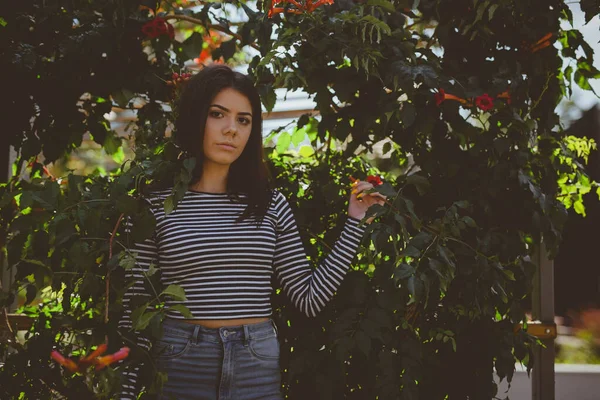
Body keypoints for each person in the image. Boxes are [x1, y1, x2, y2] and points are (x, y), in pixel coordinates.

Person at [118, 64, 386, 400]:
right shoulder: (154, 204)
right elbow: (135, 312)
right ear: (194, 117)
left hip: (255, 363)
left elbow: (308, 299)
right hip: (181, 362)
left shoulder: (271, 204)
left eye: (243, 120)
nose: (231, 130)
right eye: (218, 114)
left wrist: (355, 221)